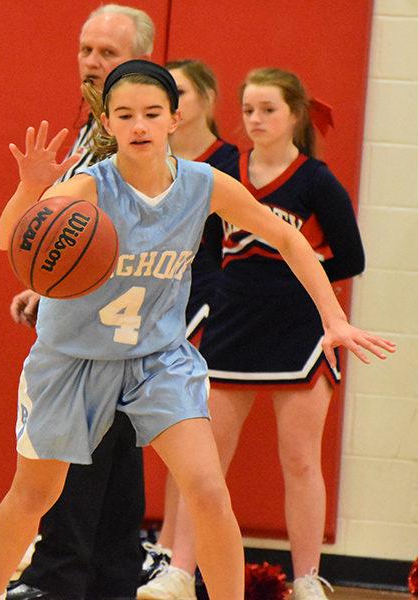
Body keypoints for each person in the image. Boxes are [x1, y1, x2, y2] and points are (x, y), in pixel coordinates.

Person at [0, 60, 394, 600]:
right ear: (107, 122)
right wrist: (29, 190)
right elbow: (11, 240)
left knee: (207, 489)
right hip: (74, 358)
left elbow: (288, 240)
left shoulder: (203, 184)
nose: (140, 125)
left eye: (152, 113)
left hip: (157, 360)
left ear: (175, 118)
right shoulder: (88, 187)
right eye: (125, 115)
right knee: (35, 492)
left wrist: (333, 319)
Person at [144, 67, 374, 600]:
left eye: (268, 109)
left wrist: (301, 266)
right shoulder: (225, 167)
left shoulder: (315, 179)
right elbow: (197, 238)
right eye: (248, 110)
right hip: (233, 323)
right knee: (201, 461)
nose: (256, 120)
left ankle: (308, 578)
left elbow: (352, 257)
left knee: (299, 461)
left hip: (299, 330)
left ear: (294, 114)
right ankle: (179, 570)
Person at [5, 5, 154, 599]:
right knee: (113, 471)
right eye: (85, 49)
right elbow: (83, 235)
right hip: (95, 322)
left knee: (74, 462)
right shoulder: (94, 133)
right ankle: (106, 582)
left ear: (140, 61)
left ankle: (56, 581)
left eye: (107, 53)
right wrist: (45, 284)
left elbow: (138, 232)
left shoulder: (138, 136)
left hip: (116, 327)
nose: (91, 62)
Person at [139, 59, 241, 582]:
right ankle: (163, 550)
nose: (172, 101)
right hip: (149, 305)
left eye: (179, 91)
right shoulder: (149, 156)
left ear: (205, 98)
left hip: (205, 303)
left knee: (191, 444)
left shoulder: (226, 163)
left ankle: (182, 563)